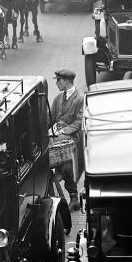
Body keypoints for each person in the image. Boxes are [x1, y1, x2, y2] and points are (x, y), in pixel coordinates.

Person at [49, 69, 84, 211]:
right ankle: (59, 178)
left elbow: (78, 122)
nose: (56, 83)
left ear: (67, 81)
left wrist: (62, 131)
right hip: (57, 137)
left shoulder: (80, 99)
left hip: (72, 138)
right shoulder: (58, 98)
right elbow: (49, 118)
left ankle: (73, 196)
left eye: (59, 80)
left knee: (67, 166)